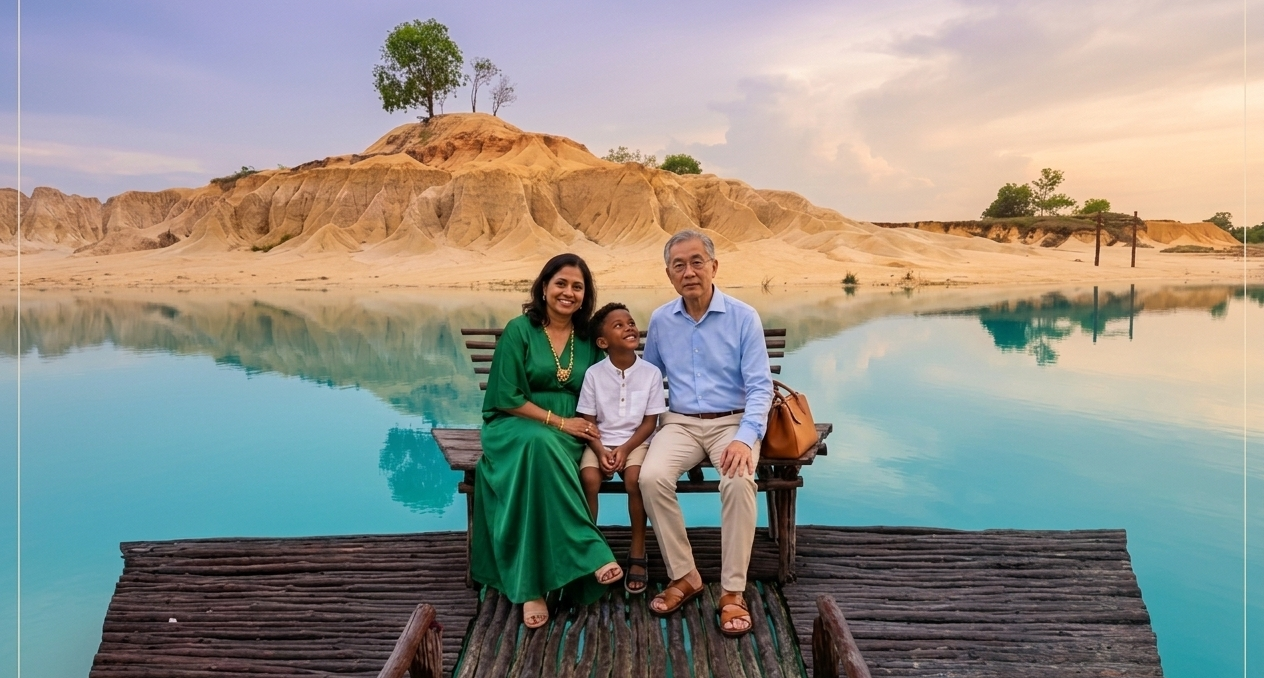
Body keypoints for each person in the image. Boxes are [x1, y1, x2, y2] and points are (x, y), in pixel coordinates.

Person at [471, 253, 623, 630]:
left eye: (577, 287)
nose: (568, 292)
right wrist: (559, 422)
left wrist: (599, 438)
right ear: (543, 287)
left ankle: (534, 583)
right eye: (561, 284)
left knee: (543, 456)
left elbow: (613, 387)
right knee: (539, 446)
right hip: (516, 424)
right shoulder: (519, 330)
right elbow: (505, 397)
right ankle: (584, 554)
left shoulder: (589, 338)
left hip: (573, 431)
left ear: (585, 295)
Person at [639, 230, 773, 637]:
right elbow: (649, 380)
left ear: (714, 266)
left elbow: (760, 387)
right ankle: (685, 575)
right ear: (669, 274)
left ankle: (732, 590)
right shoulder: (661, 320)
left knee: (738, 480)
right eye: (678, 265)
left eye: (697, 262)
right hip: (679, 423)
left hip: (732, 423)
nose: (689, 272)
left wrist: (745, 437)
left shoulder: (743, 316)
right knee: (650, 477)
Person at [576, 303, 667, 595]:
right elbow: (588, 421)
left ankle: (637, 549)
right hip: (600, 440)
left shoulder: (651, 373)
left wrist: (625, 450)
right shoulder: (594, 374)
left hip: (636, 442)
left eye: (630, 322)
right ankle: (591, 551)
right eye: (618, 325)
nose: (629, 327)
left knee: (634, 480)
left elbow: (650, 423)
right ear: (603, 343)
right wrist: (600, 449)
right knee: (589, 479)